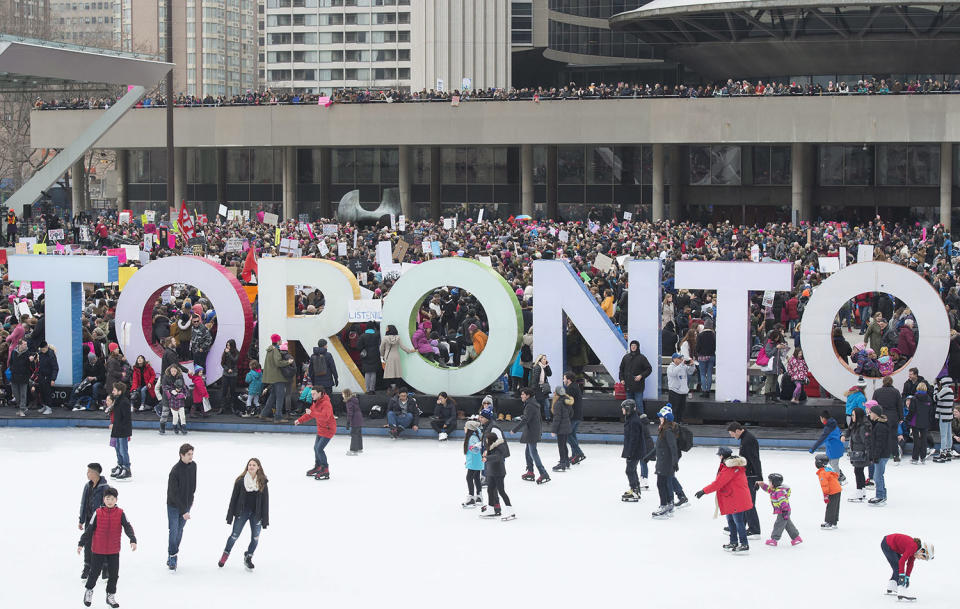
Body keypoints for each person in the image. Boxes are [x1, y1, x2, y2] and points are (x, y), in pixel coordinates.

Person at [77, 486, 136, 609]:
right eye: (107, 498)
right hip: (98, 550)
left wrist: (132, 539)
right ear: (104, 500)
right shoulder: (97, 513)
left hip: (113, 550)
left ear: (116, 500)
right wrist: (81, 543)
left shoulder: (120, 513)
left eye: (112, 499)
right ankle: (89, 590)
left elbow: (127, 526)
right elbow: (89, 530)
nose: (110, 501)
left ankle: (110, 595)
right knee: (94, 573)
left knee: (114, 575)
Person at [695, 447, 753, 553]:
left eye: (719, 455)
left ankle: (744, 544)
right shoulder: (729, 465)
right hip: (731, 498)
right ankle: (733, 542)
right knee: (731, 521)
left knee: (738, 522)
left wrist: (703, 491)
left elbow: (718, 483)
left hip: (736, 499)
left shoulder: (730, 468)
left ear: (722, 456)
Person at [219, 458, 269, 571]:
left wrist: (265, 519)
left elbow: (265, 502)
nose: (251, 467)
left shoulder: (262, 482)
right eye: (249, 465)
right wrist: (230, 516)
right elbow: (233, 499)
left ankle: (248, 556)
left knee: (255, 538)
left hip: (256, 514)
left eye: (254, 465)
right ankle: (225, 554)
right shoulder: (240, 482)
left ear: (258, 467)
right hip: (242, 512)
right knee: (234, 535)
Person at [727, 422, 762, 537]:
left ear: (737, 430)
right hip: (748, 474)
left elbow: (755, 459)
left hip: (751, 476)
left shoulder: (748, 440)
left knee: (749, 502)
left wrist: (759, 477)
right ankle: (741, 524)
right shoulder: (745, 438)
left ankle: (754, 529)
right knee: (744, 501)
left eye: (732, 434)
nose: (732, 436)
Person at [166, 443, 197, 571]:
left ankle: (173, 553)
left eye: (192, 454)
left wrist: (190, 501)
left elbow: (193, 485)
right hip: (174, 506)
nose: (191, 457)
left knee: (179, 530)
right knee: (173, 531)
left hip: (187, 504)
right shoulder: (175, 471)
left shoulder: (194, 466)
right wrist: (183, 510)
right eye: (189, 454)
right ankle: (172, 555)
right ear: (181, 455)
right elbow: (173, 493)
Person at [295, 386, 336, 480]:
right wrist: (300, 420)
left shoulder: (326, 403)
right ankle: (318, 466)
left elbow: (325, 416)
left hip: (329, 429)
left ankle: (325, 469)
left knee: (319, 448)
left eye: (314, 394)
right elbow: (310, 414)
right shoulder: (316, 402)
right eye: (311, 393)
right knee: (316, 448)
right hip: (321, 428)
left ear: (320, 393)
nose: (312, 395)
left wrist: (311, 413)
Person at [79, 463, 110, 580]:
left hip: (101, 522)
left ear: (95, 473)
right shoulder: (87, 486)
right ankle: (87, 566)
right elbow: (83, 504)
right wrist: (81, 520)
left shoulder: (105, 488)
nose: (87, 474)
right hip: (89, 520)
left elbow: (108, 505)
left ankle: (105, 567)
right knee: (88, 543)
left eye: (89, 472)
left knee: (102, 544)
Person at [513, 386, 550, 485]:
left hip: (532, 432)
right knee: (528, 452)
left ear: (528, 395)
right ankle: (530, 471)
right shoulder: (532, 403)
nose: (521, 396)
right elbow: (530, 416)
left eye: (523, 394)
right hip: (532, 431)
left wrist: (514, 430)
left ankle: (543, 473)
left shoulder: (530, 405)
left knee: (533, 452)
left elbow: (526, 420)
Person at [880, 534, 934, 598]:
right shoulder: (913, 547)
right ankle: (902, 592)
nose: (920, 559)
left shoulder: (915, 550)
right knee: (898, 568)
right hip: (887, 544)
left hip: (890, 545)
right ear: (922, 551)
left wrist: (907, 577)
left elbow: (910, 564)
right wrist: (902, 576)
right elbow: (902, 561)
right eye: (922, 557)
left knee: (898, 568)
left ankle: (892, 586)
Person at [756, 473, 802, 547]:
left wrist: (784, 511)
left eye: (770, 482)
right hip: (784, 511)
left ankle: (774, 539)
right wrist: (762, 485)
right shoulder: (775, 490)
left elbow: (783, 502)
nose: (769, 483)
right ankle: (796, 537)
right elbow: (769, 490)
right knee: (787, 524)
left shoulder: (779, 492)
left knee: (778, 524)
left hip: (783, 511)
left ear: (774, 483)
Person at [620, 399, 651, 502]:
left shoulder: (634, 421)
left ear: (628, 409)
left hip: (635, 451)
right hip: (635, 450)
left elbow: (634, 439)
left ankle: (635, 491)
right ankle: (635, 489)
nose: (622, 410)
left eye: (623, 408)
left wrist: (630, 453)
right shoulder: (631, 418)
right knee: (631, 470)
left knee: (629, 470)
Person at [479, 432, 515, 520]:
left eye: (487, 440)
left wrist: (487, 458)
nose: (486, 442)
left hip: (499, 473)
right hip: (491, 473)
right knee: (490, 490)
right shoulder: (490, 447)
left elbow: (497, 457)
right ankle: (491, 509)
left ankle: (511, 511)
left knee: (501, 491)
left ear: (490, 440)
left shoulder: (499, 447)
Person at [652, 405, 680, 519]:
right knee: (664, 484)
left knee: (661, 484)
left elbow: (673, 447)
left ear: (666, 418)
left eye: (661, 417)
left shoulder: (667, 431)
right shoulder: (663, 429)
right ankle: (668, 504)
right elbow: (659, 447)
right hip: (663, 461)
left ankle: (664, 505)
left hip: (665, 462)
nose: (660, 418)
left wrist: (674, 462)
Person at [260, 333, 292, 422]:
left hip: (272, 377)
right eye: (280, 340)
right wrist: (288, 362)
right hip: (278, 377)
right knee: (280, 397)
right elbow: (278, 363)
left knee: (273, 396)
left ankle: (263, 414)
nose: (281, 341)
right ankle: (278, 417)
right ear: (277, 341)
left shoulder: (270, 350)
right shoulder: (276, 351)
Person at [809, 409, 847, 484]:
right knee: (831, 463)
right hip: (835, 448)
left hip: (834, 449)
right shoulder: (833, 424)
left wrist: (812, 449)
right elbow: (839, 432)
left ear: (823, 418)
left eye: (820, 418)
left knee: (834, 464)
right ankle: (840, 476)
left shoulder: (828, 428)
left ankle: (837, 480)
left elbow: (821, 440)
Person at [873, 375, 903, 462]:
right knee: (893, 436)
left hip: (881, 417)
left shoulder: (877, 392)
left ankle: (882, 454)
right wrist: (901, 417)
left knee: (881, 437)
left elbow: (874, 405)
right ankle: (895, 455)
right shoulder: (896, 392)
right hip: (893, 417)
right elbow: (899, 406)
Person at [843, 407, 870, 503]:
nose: (852, 417)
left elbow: (867, 442)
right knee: (859, 471)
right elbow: (848, 431)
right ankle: (861, 491)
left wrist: (868, 454)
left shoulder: (862, 427)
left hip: (861, 454)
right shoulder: (855, 425)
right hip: (857, 453)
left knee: (858, 471)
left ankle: (860, 492)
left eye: (854, 415)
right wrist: (843, 435)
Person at [107, 382, 132, 480]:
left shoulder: (124, 402)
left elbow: (126, 418)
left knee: (123, 450)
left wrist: (118, 426)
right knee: (117, 449)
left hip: (123, 430)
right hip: (117, 429)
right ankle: (120, 465)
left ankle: (127, 468)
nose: (112, 391)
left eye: (114, 390)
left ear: (119, 392)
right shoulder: (117, 400)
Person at [867, 403, 890, 505]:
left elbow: (879, 443)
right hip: (881, 454)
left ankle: (880, 495)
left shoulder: (880, 426)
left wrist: (876, 456)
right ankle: (882, 494)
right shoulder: (878, 424)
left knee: (877, 476)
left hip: (881, 454)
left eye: (871, 412)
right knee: (879, 475)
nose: (869, 414)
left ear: (875, 414)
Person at [618, 339, 652, 407]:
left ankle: (640, 417)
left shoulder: (642, 358)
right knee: (628, 406)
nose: (633, 347)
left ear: (637, 347)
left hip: (638, 387)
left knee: (639, 405)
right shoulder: (626, 357)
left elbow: (649, 369)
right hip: (628, 386)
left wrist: (641, 376)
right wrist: (621, 379)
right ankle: (630, 418)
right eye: (632, 345)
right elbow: (621, 369)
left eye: (635, 345)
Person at [563, 372, 587, 464]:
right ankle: (575, 455)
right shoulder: (575, 386)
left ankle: (579, 453)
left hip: (573, 416)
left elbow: (569, 404)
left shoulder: (570, 388)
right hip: (577, 415)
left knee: (568, 434)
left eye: (564, 378)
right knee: (572, 434)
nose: (563, 380)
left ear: (568, 380)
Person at [906, 381, 933, 464]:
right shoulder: (929, 399)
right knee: (924, 440)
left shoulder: (914, 398)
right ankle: (923, 457)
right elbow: (930, 412)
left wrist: (908, 419)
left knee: (916, 440)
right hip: (925, 422)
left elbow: (912, 410)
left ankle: (915, 458)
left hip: (915, 421)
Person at [666, 352, 696, 422]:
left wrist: (692, 365)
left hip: (682, 391)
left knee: (681, 409)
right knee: (674, 409)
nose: (681, 360)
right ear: (674, 359)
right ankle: (673, 423)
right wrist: (681, 364)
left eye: (681, 358)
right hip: (674, 391)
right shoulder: (670, 367)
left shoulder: (683, 366)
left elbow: (690, 372)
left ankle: (679, 423)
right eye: (679, 358)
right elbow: (673, 373)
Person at [549, 385, 573, 472]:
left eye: (555, 392)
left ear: (557, 393)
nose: (554, 393)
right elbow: (571, 414)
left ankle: (562, 463)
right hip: (567, 426)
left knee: (561, 446)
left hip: (561, 428)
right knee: (564, 445)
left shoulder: (558, 403)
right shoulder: (566, 401)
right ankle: (566, 462)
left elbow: (557, 418)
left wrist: (553, 430)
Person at [815, 453, 841, 530]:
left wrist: (826, 495)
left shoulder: (822, 473)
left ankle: (829, 522)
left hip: (832, 491)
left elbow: (824, 485)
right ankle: (834, 522)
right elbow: (836, 475)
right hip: (837, 489)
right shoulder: (828, 469)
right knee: (835, 506)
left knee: (831, 507)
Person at [461, 418, 484, 508]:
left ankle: (471, 498)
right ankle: (479, 496)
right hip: (476, 461)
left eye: (465, 427)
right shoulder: (475, 436)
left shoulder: (472, 437)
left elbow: (476, 449)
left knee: (469, 478)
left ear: (469, 429)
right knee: (476, 478)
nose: (464, 429)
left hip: (475, 462)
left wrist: (473, 448)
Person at [932, 376, 954, 462]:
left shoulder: (945, 390)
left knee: (943, 435)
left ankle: (943, 453)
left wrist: (935, 387)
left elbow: (935, 398)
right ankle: (948, 451)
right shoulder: (951, 390)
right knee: (948, 434)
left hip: (944, 415)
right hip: (949, 415)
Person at [162, 364, 188, 435]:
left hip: (180, 401)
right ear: (170, 371)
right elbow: (164, 387)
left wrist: (184, 395)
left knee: (182, 416)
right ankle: (166, 427)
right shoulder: (166, 377)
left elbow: (184, 387)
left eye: (175, 371)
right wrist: (172, 392)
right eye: (172, 371)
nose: (173, 372)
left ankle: (183, 428)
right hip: (170, 400)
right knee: (170, 415)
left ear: (177, 371)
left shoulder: (180, 376)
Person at [35, 341, 58, 414]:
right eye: (41, 349)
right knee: (41, 391)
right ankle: (44, 405)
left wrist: (53, 379)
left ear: (46, 347)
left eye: (43, 349)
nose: (42, 351)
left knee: (47, 392)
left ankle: (49, 408)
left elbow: (55, 368)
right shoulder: (40, 353)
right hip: (41, 375)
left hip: (48, 376)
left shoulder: (51, 355)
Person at [219, 339, 240, 413]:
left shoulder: (237, 352)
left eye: (229, 345)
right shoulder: (225, 352)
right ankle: (222, 407)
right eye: (227, 345)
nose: (227, 347)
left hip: (234, 374)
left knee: (232, 391)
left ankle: (232, 407)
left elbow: (235, 360)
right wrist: (227, 369)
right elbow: (222, 363)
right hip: (226, 374)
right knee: (224, 391)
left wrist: (229, 354)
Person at [9, 338, 29, 417]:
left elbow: (29, 366)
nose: (26, 346)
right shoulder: (14, 352)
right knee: (16, 394)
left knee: (23, 394)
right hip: (14, 376)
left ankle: (22, 408)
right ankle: (22, 408)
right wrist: (12, 369)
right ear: (20, 345)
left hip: (24, 376)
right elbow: (11, 362)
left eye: (26, 344)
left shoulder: (28, 353)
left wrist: (30, 361)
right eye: (24, 344)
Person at [697, 319, 716, 397]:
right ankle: (708, 391)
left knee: (702, 374)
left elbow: (697, 347)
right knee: (709, 374)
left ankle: (704, 391)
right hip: (711, 356)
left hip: (702, 356)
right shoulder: (714, 335)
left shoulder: (700, 335)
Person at [530, 354, 552, 422]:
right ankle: (538, 418)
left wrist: (547, 366)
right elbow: (535, 379)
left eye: (546, 359)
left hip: (543, 388)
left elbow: (549, 374)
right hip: (538, 388)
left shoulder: (544, 367)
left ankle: (547, 418)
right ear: (540, 360)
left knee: (546, 404)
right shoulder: (538, 367)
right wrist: (533, 390)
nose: (545, 360)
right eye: (544, 359)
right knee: (539, 404)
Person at [343, 388, 363, 455]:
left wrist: (348, 422)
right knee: (358, 434)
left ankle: (353, 450)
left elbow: (350, 413)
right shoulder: (354, 400)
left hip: (355, 419)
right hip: (359, 418)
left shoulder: (349, 402)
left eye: (343, 394)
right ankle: (360, 448)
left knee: (354, 434)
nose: (342, 395)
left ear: (346, 394)